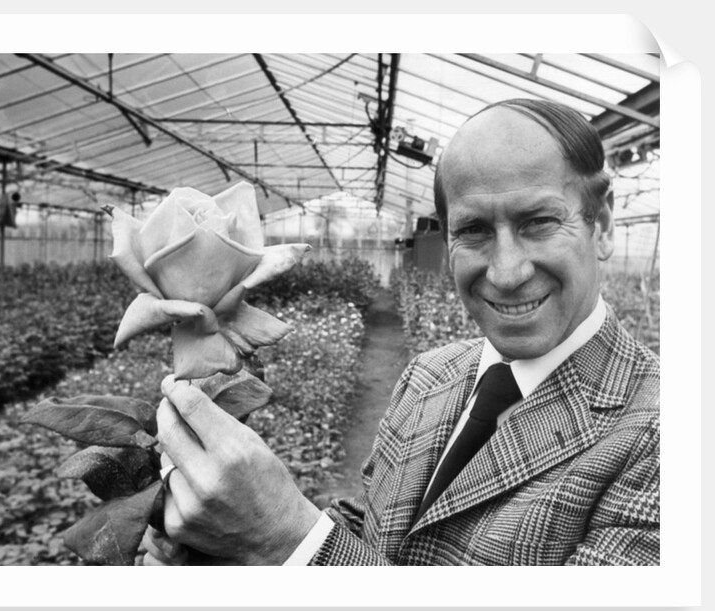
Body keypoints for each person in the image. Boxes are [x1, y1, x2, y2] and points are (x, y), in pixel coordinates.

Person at [144, 98, 660, 566]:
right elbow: (372, 530)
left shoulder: (666, 441)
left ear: (604, 226)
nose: (506, 272)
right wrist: (229, 541)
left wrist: (286, 536)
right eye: (474, 230)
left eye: (539, 222)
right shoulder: (428, 375)